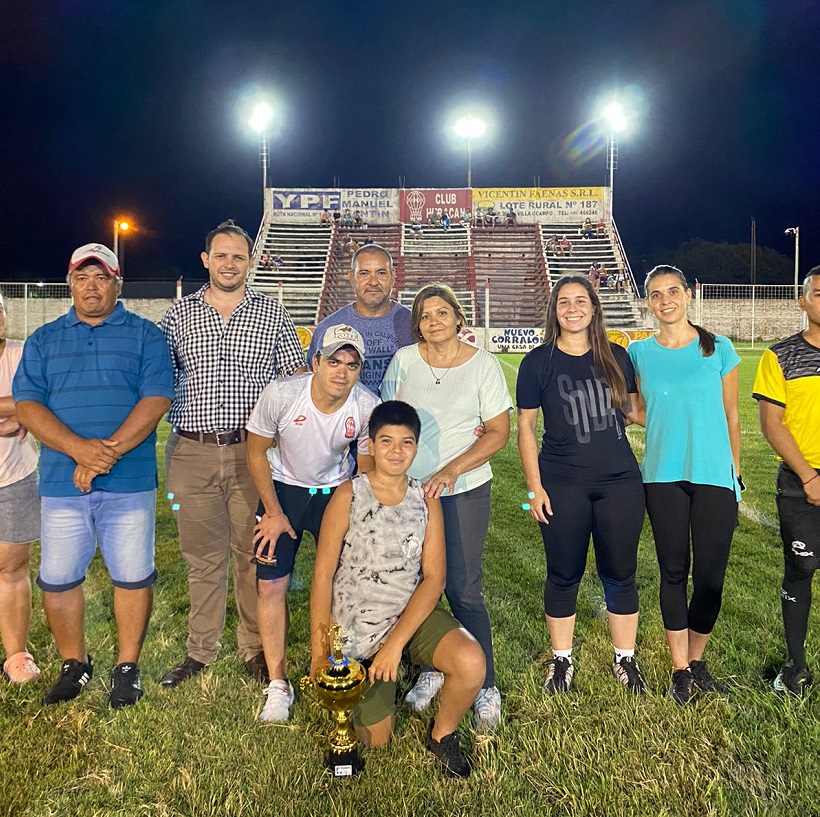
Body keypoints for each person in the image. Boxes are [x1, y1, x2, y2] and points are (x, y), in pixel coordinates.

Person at [13, 243, 173, 707]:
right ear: (70, 284)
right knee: (59, 579)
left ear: (117, 284)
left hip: (128, 480)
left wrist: (104, 456)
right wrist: (79, 450)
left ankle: (127, 667)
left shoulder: (145, 334)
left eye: (101, 277)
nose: (91, 286)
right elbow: (28, 405)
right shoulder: (43, 339)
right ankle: (74, 664)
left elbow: (156, 399)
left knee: (132, 576)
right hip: (63, 482)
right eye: (82, 277)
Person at [160, 220, 306, 689]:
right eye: (220, 255)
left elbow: (294, 384)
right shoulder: (177, 316)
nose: (229, 263)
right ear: (206, 260)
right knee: (201, 558)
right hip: (192, 450)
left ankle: (253, 647)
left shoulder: (272, 314)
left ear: (250, 261)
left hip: (253, 454)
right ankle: (200, 650)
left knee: (251, 554)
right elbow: (157, 381)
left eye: (238, 256)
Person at [310, 400, 485, 777]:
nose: (396, 450)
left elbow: (434, 577)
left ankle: (442, 735)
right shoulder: (349, 495)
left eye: (406, 442)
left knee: (472, 663)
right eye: (386, 441)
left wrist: (394, 645)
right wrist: (318, 648)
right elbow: (323, 574)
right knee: (376, 739)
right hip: (355, 627)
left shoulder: (425, 499)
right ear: (371, 444)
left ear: (416, 448)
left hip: (407, 617)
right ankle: (373, 673)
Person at [381, 283, 512, 729]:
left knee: (463, 586)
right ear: (416, 324)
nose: (433, 321)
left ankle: (487, 684)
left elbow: (498, 431)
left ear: (459, 317)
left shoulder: (483, 365)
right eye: (424, 315)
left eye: (442, 313)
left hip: (463, 489)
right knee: (417, 583)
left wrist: (453, 468)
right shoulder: (404, 362)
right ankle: (432, 668)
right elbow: (390, 418)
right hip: (410, 492)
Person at [516, 275, 647, 694]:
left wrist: (691, 405)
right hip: (561, 482)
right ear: (554, 311)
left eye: (580, 301)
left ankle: (625, 659)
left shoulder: (618, 357)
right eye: (563, 302)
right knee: (563, 573)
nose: (572, 308)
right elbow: (525, 427)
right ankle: (561, 660)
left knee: (621, 573)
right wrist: (535, 488)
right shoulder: (538, 361)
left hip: (620, 481)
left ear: (594, 308)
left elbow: (632, 410)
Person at [246, 324, 380, 722]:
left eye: (352, 365)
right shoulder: (283, 393)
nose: (341, 371)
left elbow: (366, 469)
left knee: (342, 582)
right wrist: (272, 512)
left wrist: (359, 513)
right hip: (283, 490)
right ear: (315, 362)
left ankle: (337, 664)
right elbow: (256, 453)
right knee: (271, 584)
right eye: (333, 361)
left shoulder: (366, 405)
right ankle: (277, 684)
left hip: (334, 493)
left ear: (359, 371)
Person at [628, 265, 741, 705]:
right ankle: (680, 669)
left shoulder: (720, 348)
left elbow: (732, 415)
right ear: (648, 302)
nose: (666, 300)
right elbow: (635, 409)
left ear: (688, 295)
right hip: (662, 476)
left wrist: (734, 471)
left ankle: (697, 659)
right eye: (656, 294)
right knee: (673, 572)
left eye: (673, 291)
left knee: (710, 579)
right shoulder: (640, 353)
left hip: (714, 475)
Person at [753, 267, 820, 696]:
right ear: (802, 302)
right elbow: (772, 424)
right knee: (801, 569)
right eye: (818, 292)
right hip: (802, 485)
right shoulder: (780, 356)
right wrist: (809, 475)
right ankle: (795, 667)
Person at [0, 296, 42, 684]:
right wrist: (7, 416)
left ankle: (16, 655)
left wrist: (22, 411)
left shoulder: (21, 353)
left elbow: (33, 401)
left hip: (14, 476)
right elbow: (17, 411)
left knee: (11, 568)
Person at [308, 245, 414, 396]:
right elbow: (314, 382)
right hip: (347, 418)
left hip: (401, 417)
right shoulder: (328, 328)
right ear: (352, 278)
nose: (373, 282)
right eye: (364, 273)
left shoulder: (414, 324)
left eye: (381, 273)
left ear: (393, 276)